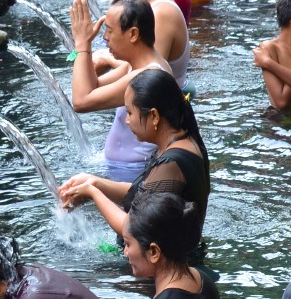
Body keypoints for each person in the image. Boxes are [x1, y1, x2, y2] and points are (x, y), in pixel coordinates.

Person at [60, 68, 209, 243]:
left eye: (130, 112)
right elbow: (145, 192)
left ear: (153, 115)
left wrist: (94, 194)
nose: (127, 120)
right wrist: (96, 183)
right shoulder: (183, 142)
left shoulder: (171, 162)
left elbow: (132, 229)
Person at [70, 0, 165, 180]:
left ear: (133, 34)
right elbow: (92, 86)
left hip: (134, 173)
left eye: (109, 31)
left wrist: (81, 44)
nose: (104, 38)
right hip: (125, 170)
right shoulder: (134, 66)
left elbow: (81, 102)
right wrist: (86, 46)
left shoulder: (147, 74)